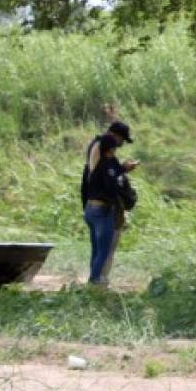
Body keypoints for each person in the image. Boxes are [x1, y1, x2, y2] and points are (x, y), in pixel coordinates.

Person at [81, 120, 138, 282]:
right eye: (118, 142)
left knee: (96, 249)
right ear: (111, 147)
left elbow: (100, 177)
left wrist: (120, 169)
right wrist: (119, 205)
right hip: (103, 209)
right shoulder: (106, 162)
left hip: (91, 208)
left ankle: (95, 280)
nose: (119, 146)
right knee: (104, 250)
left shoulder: (100, 164)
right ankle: (95, 281)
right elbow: (110, 184)